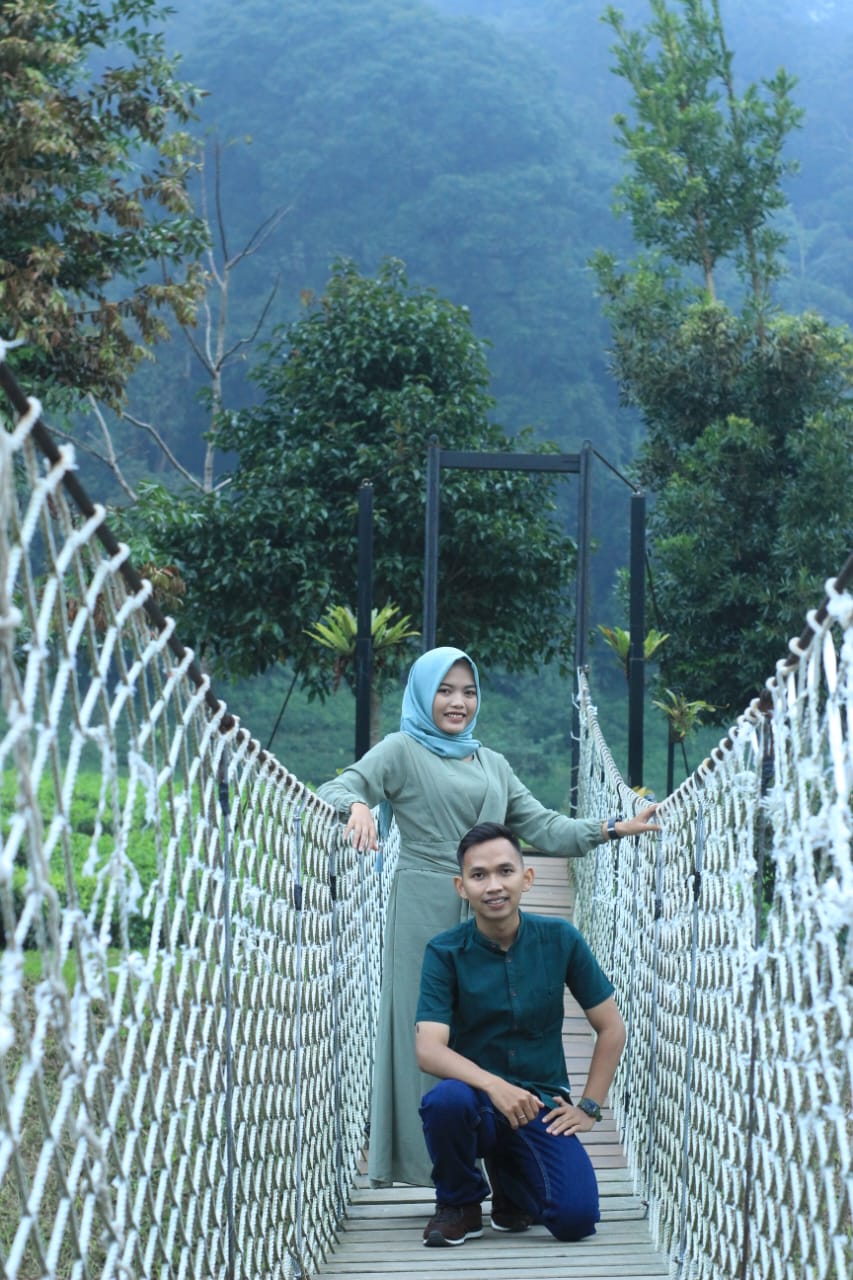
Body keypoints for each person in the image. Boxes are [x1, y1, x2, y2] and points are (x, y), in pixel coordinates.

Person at [316, 645, 657, 1187]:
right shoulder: (401, 749)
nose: (458, 702)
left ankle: (504, 1157)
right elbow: (338, 786)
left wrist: (612, 828)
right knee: (426, 1033)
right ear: (423, 695)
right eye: (445, 691)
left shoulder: (492, 763)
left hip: (488, 908)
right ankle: (444, 1179)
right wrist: (356, 805)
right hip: (425, 905)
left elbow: (543, 827)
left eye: (469, 691)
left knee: (488, 1025)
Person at [415, 821, 626, 1247]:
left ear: (526, 878)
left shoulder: (560, 939)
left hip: (540, 1103)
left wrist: (589, 1107)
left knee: (576, 1219)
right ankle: (460, 1203)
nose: (494, 885)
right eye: (479, 875)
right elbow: (429, 1050)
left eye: (505, 871)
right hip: (476, 1102)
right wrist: (494, 1086)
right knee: (445, 1101)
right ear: (461, 887)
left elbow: (611, 1027)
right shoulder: (445, 951)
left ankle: (511, 1184)